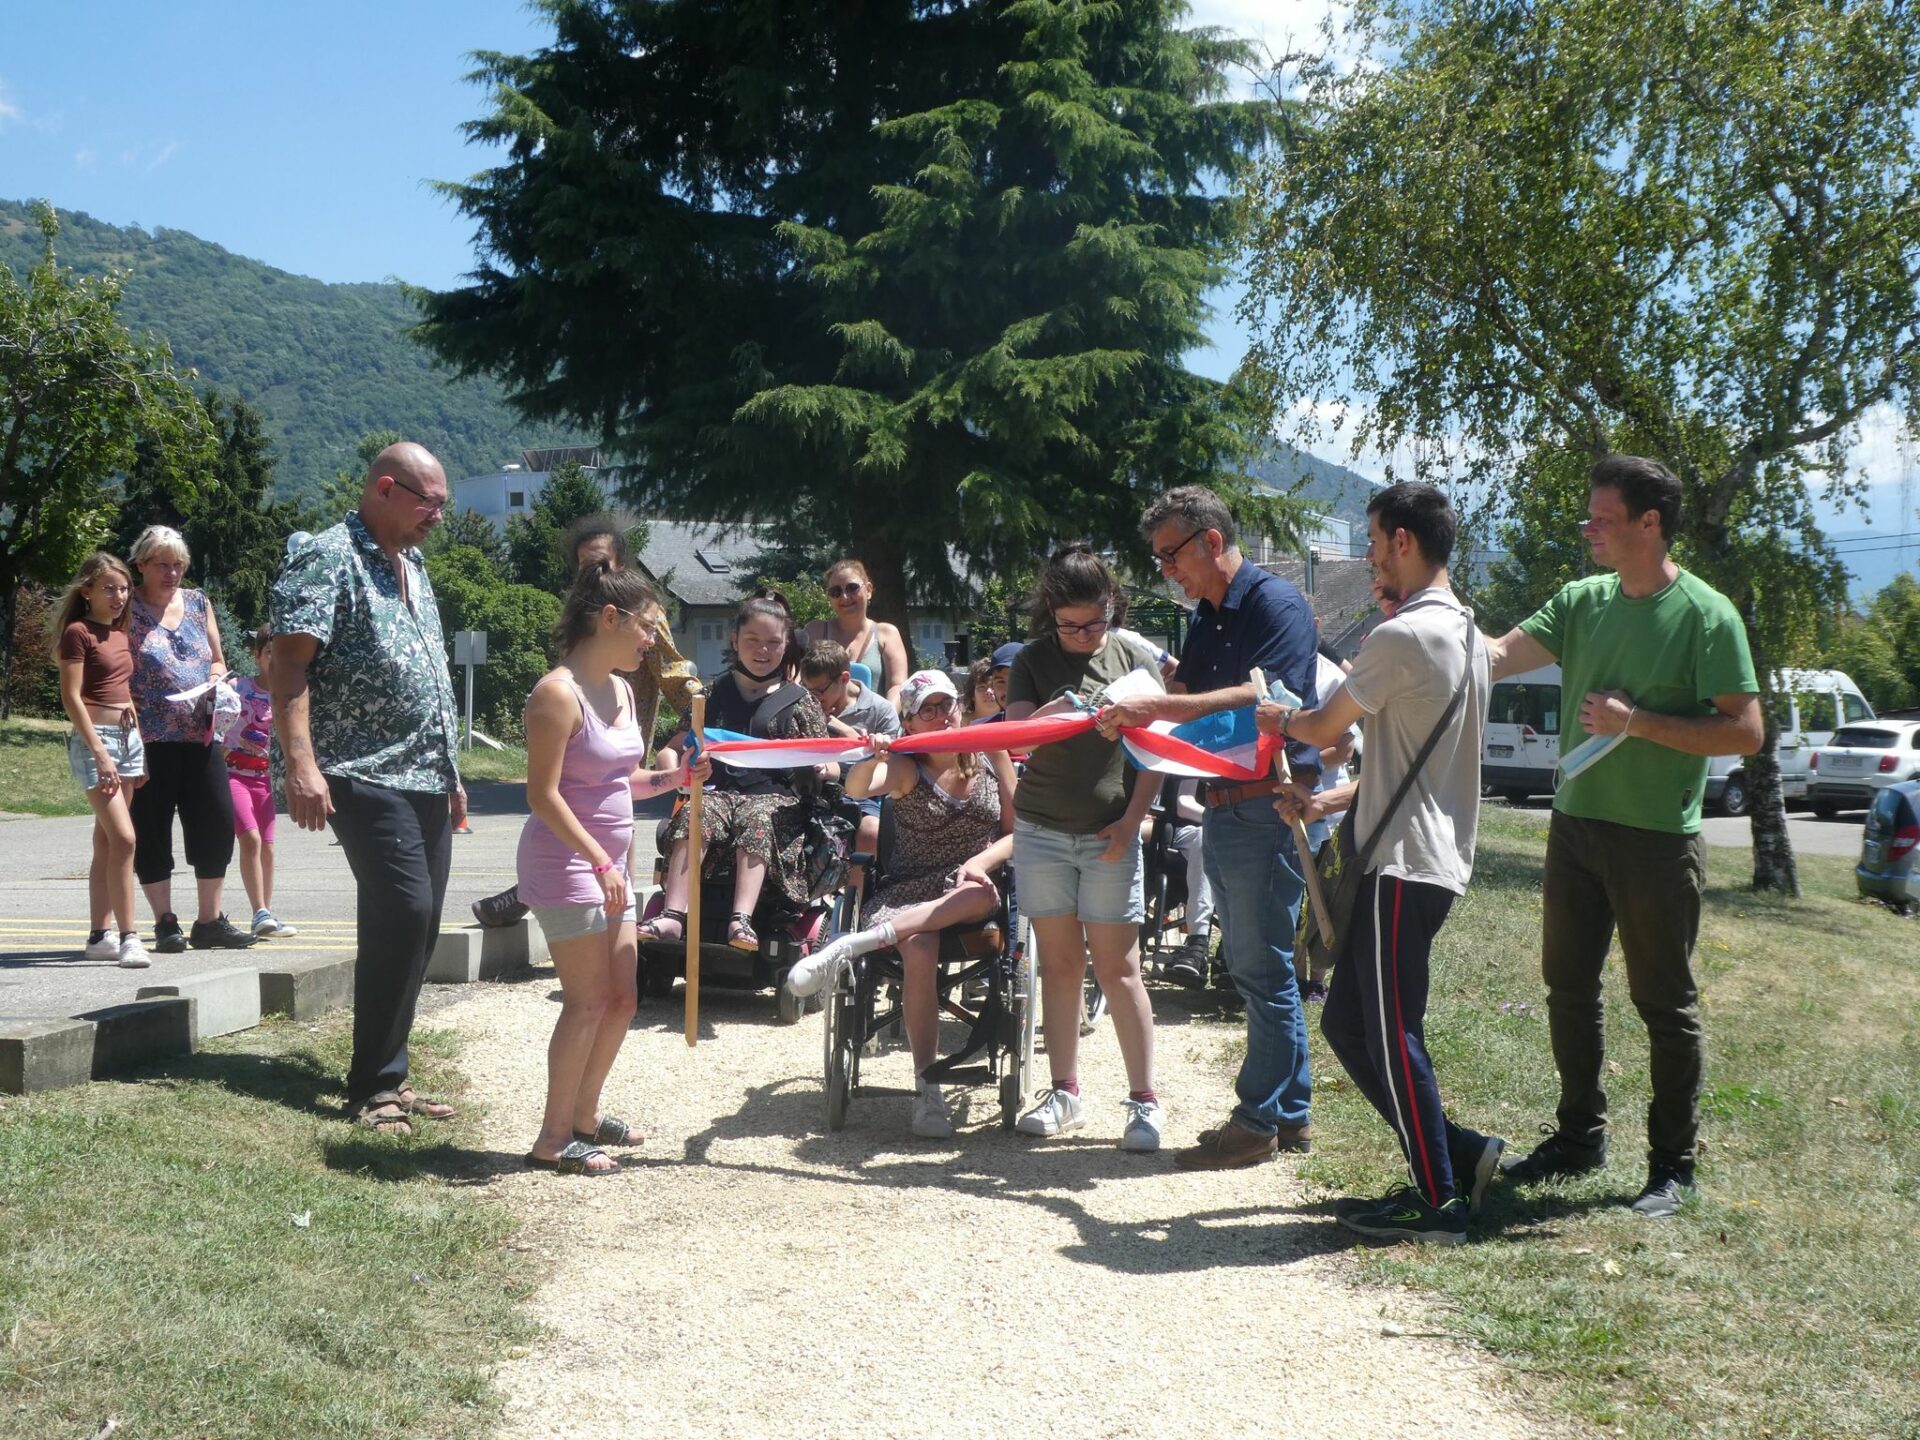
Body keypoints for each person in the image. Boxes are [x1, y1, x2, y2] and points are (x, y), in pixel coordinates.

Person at [1481, 454, 1762, 1218]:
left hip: (1656, 843)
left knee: (1663, 1006)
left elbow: (1745, 733)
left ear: (1650, 524)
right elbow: (1497, 657)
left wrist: (1638, 724)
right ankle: (1580, 1137)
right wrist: (1425, 643)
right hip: (1576, 827)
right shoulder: (1582, 602)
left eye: (1603, 518)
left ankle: (1673, 1164)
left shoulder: (1707, 616)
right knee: (1568, 990)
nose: (1588, 528)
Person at [1264, 482, 1503, 1245]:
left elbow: (1321, 723)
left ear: (1404, 541)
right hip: (1423, 859)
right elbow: (1405, 770)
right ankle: (1460, 1156)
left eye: (1372, 541)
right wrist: (1327, 806)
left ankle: (1441, 1205)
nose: (1368, 556)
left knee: (1394, 1033)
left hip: (1402, 866)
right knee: (1347, 1022)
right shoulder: (1467, 635)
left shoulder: (1402, 637)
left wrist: (1275, 717)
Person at [1095, 485, 1321, 1169]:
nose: (1167, 572)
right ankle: (1291, 1114)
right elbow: (1180, 703)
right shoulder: (1211, 617)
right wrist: (1127, 705)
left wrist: (1159, 703)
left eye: (1170, 556)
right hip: (1227, 805)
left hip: (1265, 802)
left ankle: (1257, 1122)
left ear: (1211, 542)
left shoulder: (1276, 604)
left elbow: (1268, 696)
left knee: (1259, 968)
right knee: (1260, 966)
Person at [271, 441, 468, 1136]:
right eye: (430, 503)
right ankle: (373, 1088)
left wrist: (451, 773)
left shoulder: (412, 564)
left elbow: (431, 676)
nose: (438, 517)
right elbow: (289, 667)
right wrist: (302, 764)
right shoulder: (327, 556)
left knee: (419, 924)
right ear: (385, 488)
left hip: (423, 772)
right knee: (405, 910)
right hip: (358, 766)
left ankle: (392, 1072)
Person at [519, 563, 710, 1175]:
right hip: (569, 863)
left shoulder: (624, 690)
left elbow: (616, 781)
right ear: (610, 619)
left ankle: (586, 1115)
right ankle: (553, 1138)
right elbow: (543, 794)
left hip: (610, 868)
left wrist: (676, 779)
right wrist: (599, 858)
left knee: (623, 998)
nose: (653, 641)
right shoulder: (556, 693)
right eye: (648, 627)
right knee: (588, 1000)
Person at [786, 669, 1018, 1138]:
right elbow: (856, 790)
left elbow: (1017, 832)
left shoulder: (991, 751)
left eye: (947, 704)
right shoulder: (906, 766)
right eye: (927, 709)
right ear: (909, 722)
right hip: (908, 889)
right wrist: (873, 756)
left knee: (978, 891)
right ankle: (927, 1088)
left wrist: (979, 860)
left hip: (972, 883)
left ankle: (858, 943)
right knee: (920, 947)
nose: (941, 715)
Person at [1004, 544, 1166, 1152]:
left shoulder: (1132, 654)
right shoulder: (1032, 658)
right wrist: (1060, 710)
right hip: (1042, 829)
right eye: (1070, 625)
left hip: (1109, 832)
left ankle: (1144, 1101)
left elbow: (1157, 752)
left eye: (1094, 622)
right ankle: (1064, 1091)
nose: (1083, 635)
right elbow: (1019, 736)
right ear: (1051, 611)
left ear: (1110, 608)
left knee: (1121, 970)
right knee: (1061, 965)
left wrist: (1131, 823)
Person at [470, 515, 699, 929]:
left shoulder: (642, 615)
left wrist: (704, 708)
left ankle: (557, 901)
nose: (592, 574)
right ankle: (533, 895)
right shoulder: (577, 631)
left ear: (622, 566)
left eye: (603, 564)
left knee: (618, 836)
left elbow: (673, 670)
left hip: (626, 738)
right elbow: (545, 790)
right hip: (584, 739)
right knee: (578, 822)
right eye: (584, 566)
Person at [640, 596, 831, 949]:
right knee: (697, 812)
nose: (763, 650)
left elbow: (830, 761)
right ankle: (673, 916)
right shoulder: (709, 696)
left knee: (758, 816)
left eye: (773, 642)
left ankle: (741, 920)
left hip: (776, 802)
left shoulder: (800, 701)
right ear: (734, 640)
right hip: (718, 794)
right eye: (752, 640)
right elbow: (672, 748)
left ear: (786, 645)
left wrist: (822, 766)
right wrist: (674, 771)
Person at [125, 525, 255, 953]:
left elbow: (217, 659)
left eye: (178, 564)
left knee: (216, 822)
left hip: (201, 735)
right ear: (141, 564)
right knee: (152, 827)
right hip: (150, 738)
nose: (172, 572)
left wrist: (217, 682)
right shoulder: (128, 608)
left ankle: (209, 920)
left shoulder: (199, 603)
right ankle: (164, 921)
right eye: (162, 564)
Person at [53, 552, 150, 969]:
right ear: (87, 590)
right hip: (97, 742)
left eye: (124, 588)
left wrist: (138, 745)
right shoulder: (78, 632)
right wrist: (100, 753)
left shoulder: (120, 633)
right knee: (125, 839)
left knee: (107, 841)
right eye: (109, 588)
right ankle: (130, 936)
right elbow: (71, 697)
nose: (119, 595)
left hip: (127, 739)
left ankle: (99, 935)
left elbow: (121, 687)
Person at [801, 639, 900, 874]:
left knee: (870, 831)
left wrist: (843, 730)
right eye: (808, 690)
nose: (813, 698)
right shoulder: (804, 706)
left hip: (864, 791)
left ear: (844, 679)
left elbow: (891, 763)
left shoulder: (881, 710)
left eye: (820, 690)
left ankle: (857, 897)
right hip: (815, 789)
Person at [226, 626, 296, 938]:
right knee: (251, 840)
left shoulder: (288, 695)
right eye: (269, 652)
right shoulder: (238, 688)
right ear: (257, 656)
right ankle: (259, 911)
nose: (274, 659)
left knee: (268, 848)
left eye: (280, 654)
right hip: (233, 776)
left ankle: (265, 914)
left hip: (263, 781)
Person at [804, 558, 910, 708]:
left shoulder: (887, 634)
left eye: (852, 588)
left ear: (868, 590)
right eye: (836, 592)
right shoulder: (815, 631)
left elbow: (897, 686)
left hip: (873, 728)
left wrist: (884, 719)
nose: (844, 597)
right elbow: (797, 682)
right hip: (822, 725)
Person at [1157, 778, 1214, 985]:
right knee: (1205, 839)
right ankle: (1197, 944)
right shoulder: (1201, 747)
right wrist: (1226, 820)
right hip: (1188, 831)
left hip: (1233, 832)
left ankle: (1231, 950)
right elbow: (1184, 805)